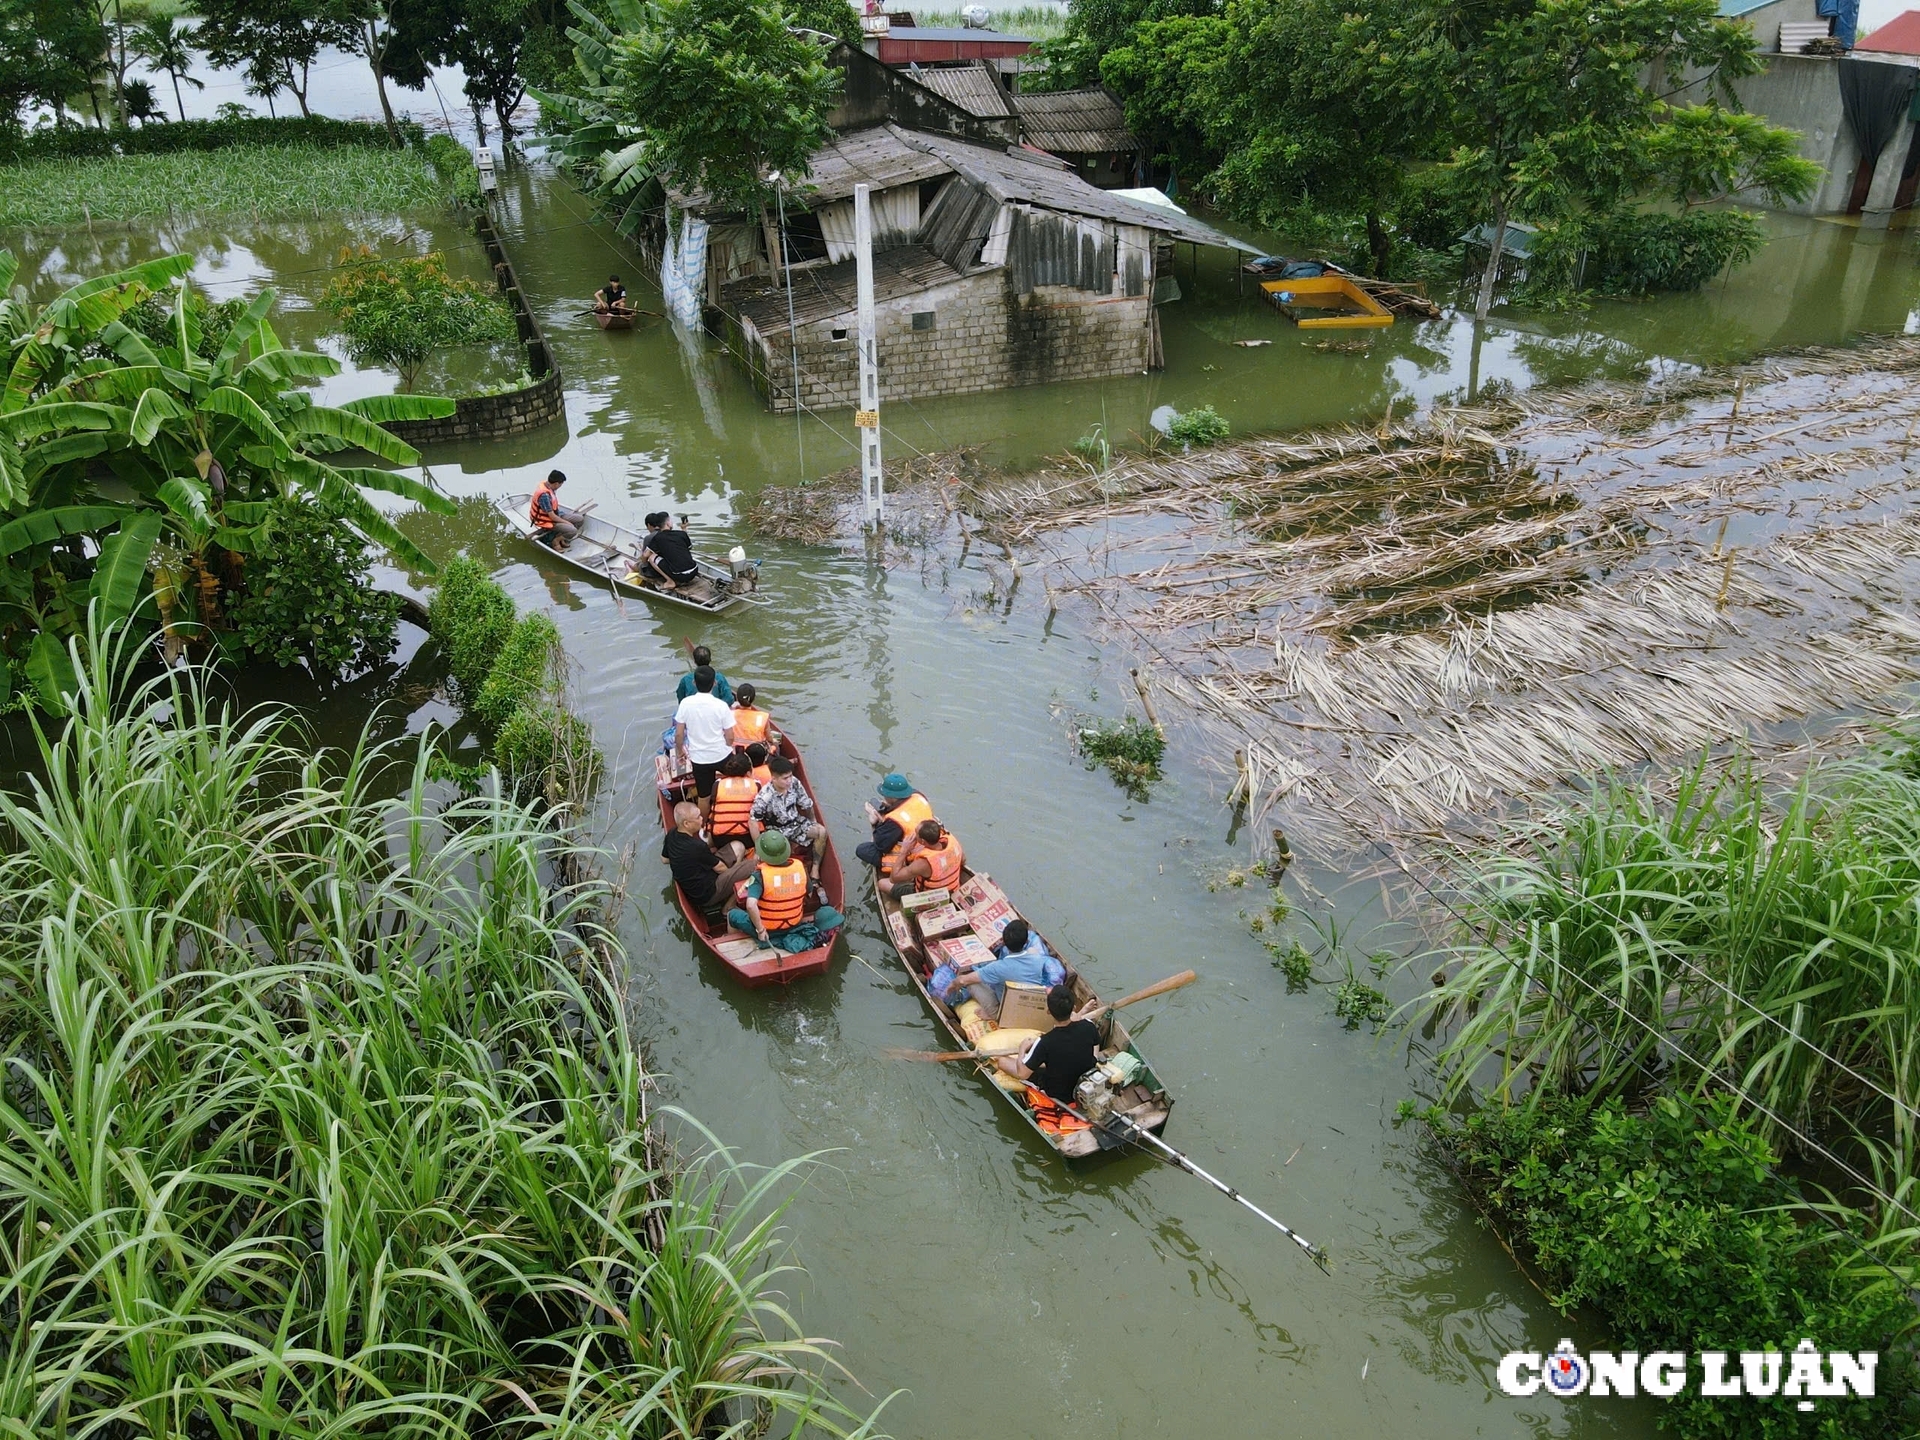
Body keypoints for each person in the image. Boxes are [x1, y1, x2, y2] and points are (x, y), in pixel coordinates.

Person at [728, 831, 843, 948]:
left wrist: (761, 930)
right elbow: (809, 893)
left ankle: (732, 945)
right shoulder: (800, 868)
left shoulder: (759, 876)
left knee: (731, 914)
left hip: (769, 930)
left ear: (762, 855)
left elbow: (751, 905)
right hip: (795, 924)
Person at [996, 985, 1104, 1105]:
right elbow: (1095, 1043)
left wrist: (1022, 1048)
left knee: (1002, 1062)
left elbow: (1022, 1074)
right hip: (1085, 1081)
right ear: (1073, 1007)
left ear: (1048, 1011)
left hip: (1060, 1094)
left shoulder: (1044, 1042)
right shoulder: (1088, 1025)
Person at [940, 916, 1064, 1020]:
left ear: (1003, 942)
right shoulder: (1037, 957)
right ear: (1026, 941)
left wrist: (951, 986)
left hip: (1006, 1014)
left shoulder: (998, 968)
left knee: (972, 983)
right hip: (1029, 1008)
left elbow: (963, 980)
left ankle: (994, 1015)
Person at [662, 800, 758, 920]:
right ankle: (728, 906)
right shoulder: (696, 846)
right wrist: (737, 872)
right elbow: (720, 869)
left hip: (704, 875)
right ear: (686, 824)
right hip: (709, 893)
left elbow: (665, 859)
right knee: (755, 866)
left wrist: (684, 859)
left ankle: (732, 885)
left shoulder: (671, 835)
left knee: (738, 846)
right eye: (697, 817)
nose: (702, 818)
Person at [749, 753, 826, 883]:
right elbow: (752, 821)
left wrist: (813, 822)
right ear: (774, 778)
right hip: (776, 831)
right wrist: (758, 847)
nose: (789, 781)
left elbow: (807, 804)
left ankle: (815, 869)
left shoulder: (795, 783)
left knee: (821, 831)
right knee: (775, 855)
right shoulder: (765, 796)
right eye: (785, 778)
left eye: (790, 776)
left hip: (795, 823)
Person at [673, 665, 737, 817]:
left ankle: (704, 827)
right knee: (735, 783)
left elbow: (679, 735)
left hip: (699, 760)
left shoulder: (685, 704)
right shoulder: (721, 706)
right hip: (722, 756)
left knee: (704, 797)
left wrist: (680, 751)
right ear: (714, 683)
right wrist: (727, 747)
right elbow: (730, 736)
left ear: (694, 683)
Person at [855, 773, 933, 876]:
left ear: (891, 797)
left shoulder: (895, 821)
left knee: (862, 850)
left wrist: (876, 821)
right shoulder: (918, 796)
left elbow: (881, 846)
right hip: (927, 844)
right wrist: (889, 809)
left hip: (909, 855)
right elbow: (908, 811)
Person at [880, 818, 962, 898]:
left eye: (916, 833)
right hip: (952, 890)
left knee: (882, 883)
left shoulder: (924, 862)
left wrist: (904, 851)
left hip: (932, 897)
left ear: (922, 841)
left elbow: (893, 878)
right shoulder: (952, 842)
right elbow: (963, 860)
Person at [707, 750, 761, 853]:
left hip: (720, 838)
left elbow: (713, 806)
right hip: (749, 838)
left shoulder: (718, 784)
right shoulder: (756, 784)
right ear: (748, 772)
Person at [639, 512, 700, 590]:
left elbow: (645, 555)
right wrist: (684, 529)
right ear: (667, 523)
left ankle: (670, 581)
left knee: (652, 557)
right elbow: (687, 548)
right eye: (671, 520)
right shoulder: (681, 534)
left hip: (679, 576)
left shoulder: (657, 538)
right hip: (694, 570)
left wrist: (643, 566)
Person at [528, 469, 582, 551]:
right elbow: (552, 516)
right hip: (546, 521)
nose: (560, 486)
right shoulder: (544, 495)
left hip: (556, 515)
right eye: (561, 484)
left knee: (580, 519)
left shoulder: (549, 486)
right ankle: (555, 541)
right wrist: (567, 522)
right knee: (572, 530)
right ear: (556, 483)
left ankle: (560, 538)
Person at [731, 683, 775, 749]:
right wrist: (773, 742)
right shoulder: (762, 717)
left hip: (734, 752)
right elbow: (769, 738)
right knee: (776, 746)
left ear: (737, 698)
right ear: (753, 698)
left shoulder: (730, 714)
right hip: (756, 753)